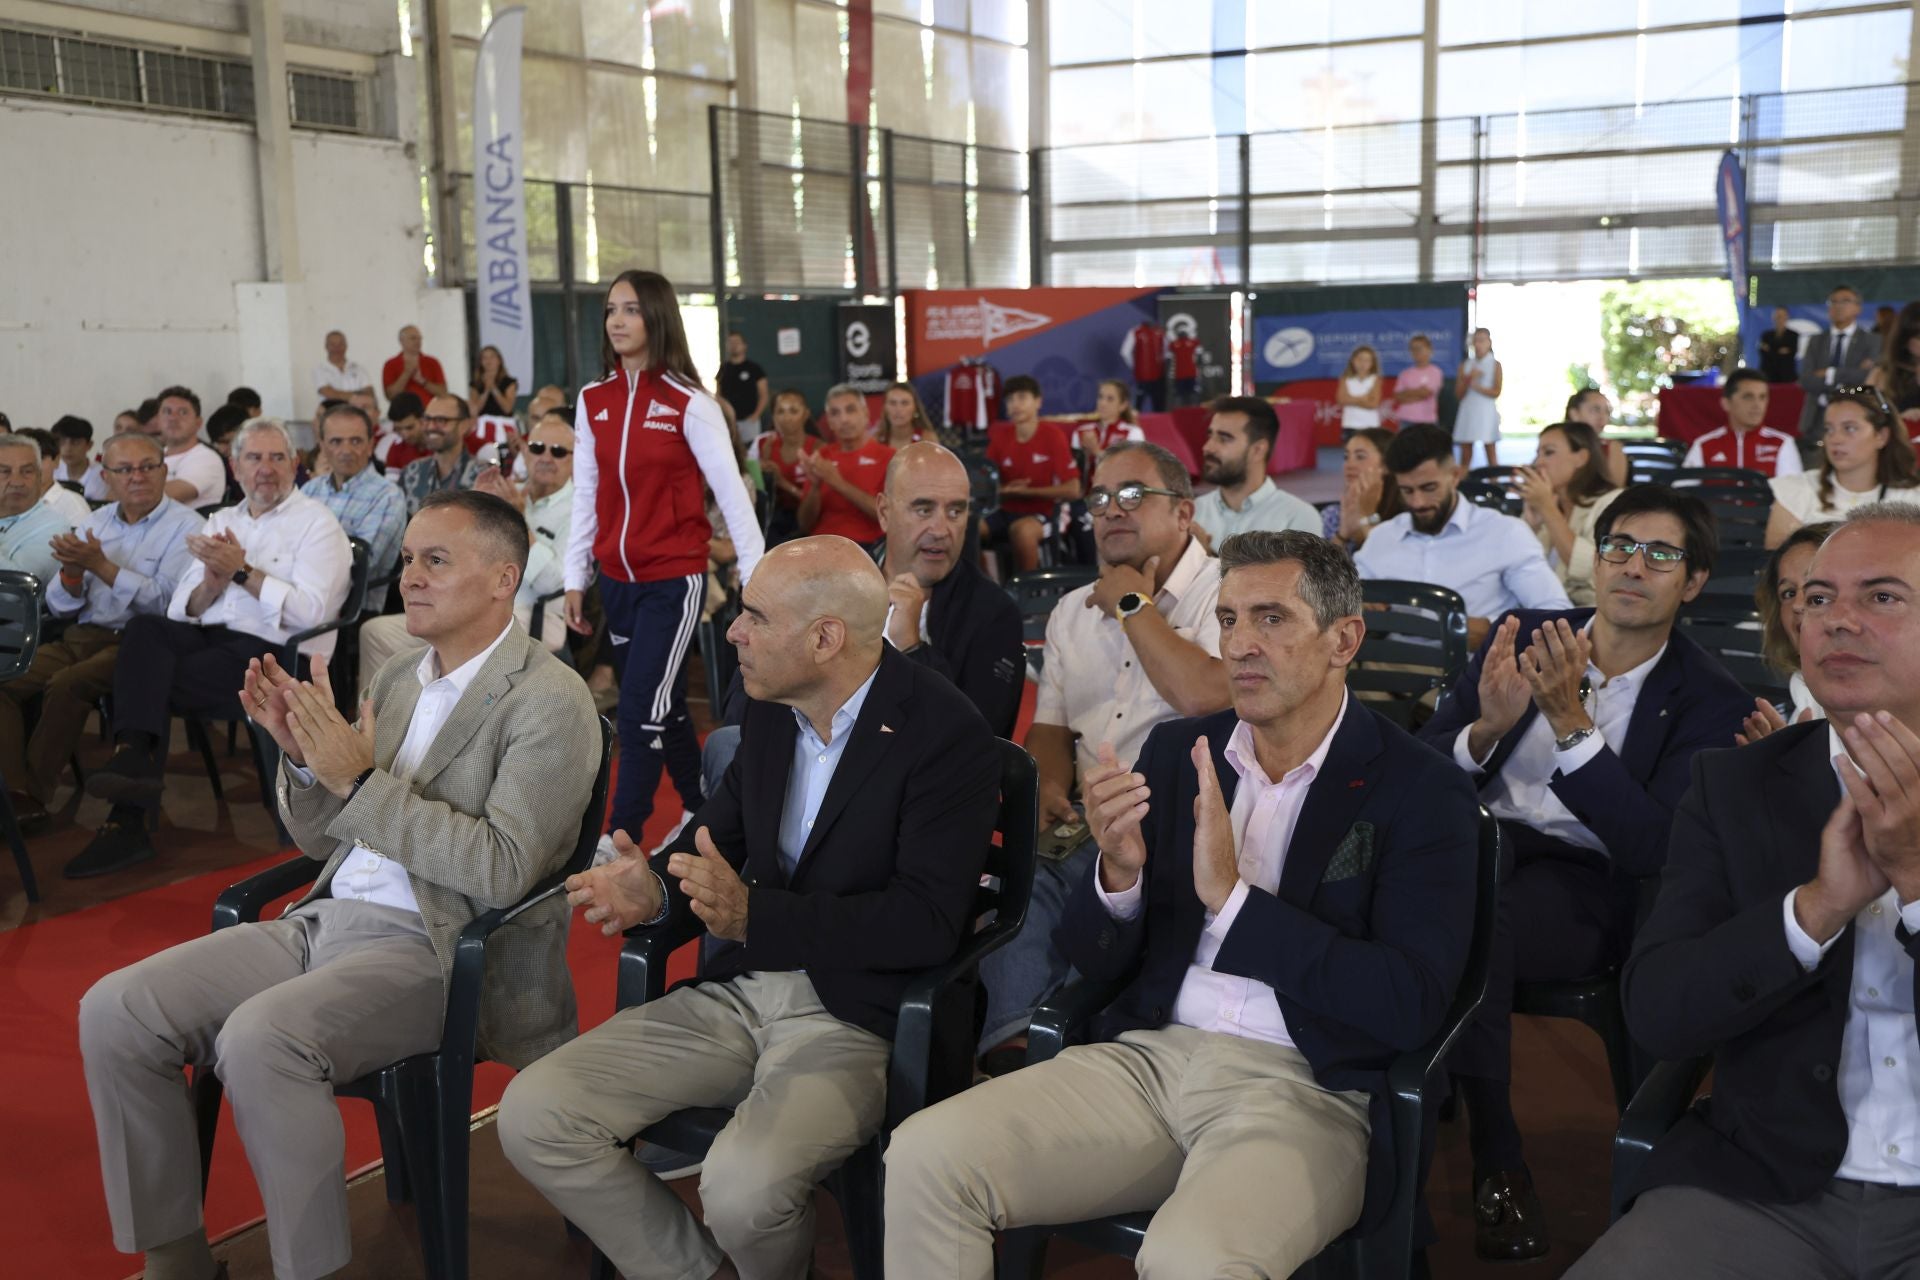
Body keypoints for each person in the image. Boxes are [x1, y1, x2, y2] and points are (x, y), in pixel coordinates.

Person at [885, 530, 1482, 1280]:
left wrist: (1234, 903)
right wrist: (1119, 877)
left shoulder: (1421, 788)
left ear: (1344, 640)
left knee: (1191, 1260)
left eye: (1271, 618)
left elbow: (1409, 1004)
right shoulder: (1177, 754)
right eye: (1228, 619)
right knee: (925, 1156)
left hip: (1307, 1087)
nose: (1239, 645)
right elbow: (1087, 957)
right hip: (1148, 1059)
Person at [78, 489, 597, 1280]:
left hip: (440, 946)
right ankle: (176, 1259)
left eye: (435, 561)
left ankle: (311, 1271)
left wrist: (357, 782)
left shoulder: (549, 699)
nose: (409, 577)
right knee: (117, 1009)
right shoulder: (400, 678)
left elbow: (501, 870)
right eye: (409, 559)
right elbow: (327, 839)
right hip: (325, 920)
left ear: (504, 580)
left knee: (262, 1040)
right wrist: (302, 760)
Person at [499, 536, 1000, 1280]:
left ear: (825, 638)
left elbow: (926, 923)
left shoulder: (944, 733)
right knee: (534, 1113)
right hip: (744, 990)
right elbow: (714, 842)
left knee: (741, 1190)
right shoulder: (768, 710)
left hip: (863, 1015)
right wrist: (654, 889)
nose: (732, 631)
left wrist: (755, 918)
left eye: (756, 617)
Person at [1567, 503, 1920, 1280]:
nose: (1836, 620)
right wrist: (1813, 912)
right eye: (1817, 598)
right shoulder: (1735, 786)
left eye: (1882, 596)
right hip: (1766, 1186)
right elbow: (1659, 1014)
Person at [1419, 484, 1751, 1259]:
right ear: (1594, 560)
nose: (1634, 566)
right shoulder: (1526, 635)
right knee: (1469, 888)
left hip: (1585, 887)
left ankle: (1471, 1145)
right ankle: (1471, 1151)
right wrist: (1484, 730)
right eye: (1619, 546)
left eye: (1660, 555)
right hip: (1474, 855)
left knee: (1466, 911)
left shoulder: (1709, 699)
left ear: (1693, 582)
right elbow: (1422, 768)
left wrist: (1572, 727)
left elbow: (1654, 847)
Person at [977, 441, 1229, 1066]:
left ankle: (1069, 1052)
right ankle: (1020, 1049)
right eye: (1099, 497)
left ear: (1184, 512)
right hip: (1088, 819)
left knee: (1103, 909)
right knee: (1016, 875)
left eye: (1133, 495)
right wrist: (1047, 785)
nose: (1112, 509)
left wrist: (1132, 604)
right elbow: (1051, 728)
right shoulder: (1071, 611)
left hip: (1186, 821)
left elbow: (1201, 694)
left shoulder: (1226, 594)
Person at [76, 419, 353, 876]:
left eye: (277, 458)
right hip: (209, 639)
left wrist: (242, 572)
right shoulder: (222, 520)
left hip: (276, 656)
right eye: (254, 458)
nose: (265, 469)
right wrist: (212, 582)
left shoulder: (318, 523)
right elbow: (181, 609)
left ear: (295, 464)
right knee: (145, 630)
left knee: (144, 684)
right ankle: (134, 761)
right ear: (235, 467)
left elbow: (311, 614)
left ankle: (127, 814)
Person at [564, 269, 765, 859]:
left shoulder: (689, 403)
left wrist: (756, 581)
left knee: (638, 710)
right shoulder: (593, 400)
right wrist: (575, 577)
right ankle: (701, 807)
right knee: (664, 703)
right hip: (616, 581)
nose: (618, 321)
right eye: (611, 310)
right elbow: (586, 494)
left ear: (657, 317)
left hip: (673, 581)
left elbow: (734, 497)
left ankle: (620, 833)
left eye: (631, 309)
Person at [2, 434, 200, 829]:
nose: (137, 477)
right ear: (106, 477)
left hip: (139, 646)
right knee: (5, 677)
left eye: (147, 467)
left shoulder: (188, 527)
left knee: (66, 684)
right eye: (124, 470)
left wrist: (102, 566)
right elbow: (61, 605)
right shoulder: (97, 522)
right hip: (80, 635)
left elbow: (168, 605)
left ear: (164, 471)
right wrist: (73, 575)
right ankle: (11, 791)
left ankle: (33, 798)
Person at [1355, 424, 1571, 647]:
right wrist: (1361, 606)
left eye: (1429, 488)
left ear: (1455, 475)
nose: (1417, 502)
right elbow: (1344, 600)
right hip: (1387, 663)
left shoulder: (1504, 533)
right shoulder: (1382, 537)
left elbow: (1556, 613)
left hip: (1475, 664)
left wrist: (1493, 630)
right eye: (1407, 491)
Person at [876, 442, 1025, 737]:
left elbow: (978, 740)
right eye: (923, 510)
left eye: (956, 511)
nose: (941, 530)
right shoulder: (839, 588)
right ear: (884, 512)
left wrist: (913, 650)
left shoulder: (994, 614)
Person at [1766, 388, 1920, 547]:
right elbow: (1779, 559)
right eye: (1829, 429)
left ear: (1881, 436)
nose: (1835, 439)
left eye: (1849, 428)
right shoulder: (1796, 490)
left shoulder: (1913, 498)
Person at [1740, 521, 1839, 744]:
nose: (1798, 604)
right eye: (1788, 593)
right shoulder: (1804, 689)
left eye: (1816, 586)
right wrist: (1780, 759)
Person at [298, 402, 406, 588]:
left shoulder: (388, 496)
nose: (346, 451)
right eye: (336, 442)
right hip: (301, 589)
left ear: (370, 445)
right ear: (322, 446)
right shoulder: (310, 490)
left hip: (354, 599)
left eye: (355, 441)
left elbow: (362, 563)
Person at [1191, 396, 1321, 546]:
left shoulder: (1296, 517)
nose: (1208, 447)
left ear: (1258, 450)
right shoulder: (1194, 512)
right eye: (1210, 436)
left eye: (1224, 438)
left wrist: (1204, 556)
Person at [981, 374, 1080, 574]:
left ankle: (1028, 590)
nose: (1015, 404)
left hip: (1047, 512)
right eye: (1010, 399)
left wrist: (1027, 492)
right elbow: (983, 485)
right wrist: (1005, 490)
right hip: (1005, 510)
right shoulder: (1000, 437)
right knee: (966, 527)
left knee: (1022, 531)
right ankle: (984, 586)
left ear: (1038, 401)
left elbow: (1073, 490)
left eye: (1022, 397)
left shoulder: (1053, 436)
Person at [1518, 420, 1623, 607]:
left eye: (1548, 452)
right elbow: (1514, 567)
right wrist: (1531, 526)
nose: (1538, 462)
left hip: (1587, 614)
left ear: (1581, 458)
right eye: (1538, 454)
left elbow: (1590, 569)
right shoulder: (1548, 503)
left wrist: (1547, 509)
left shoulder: (1612, 502)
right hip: (1540, 611)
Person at [799, 383, 894, 546]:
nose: (844, 419)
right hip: (821, 546)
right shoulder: (821, 457)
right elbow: (804, 524)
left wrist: (838, 483)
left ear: (866, 414)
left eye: (850, 410)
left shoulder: (889, 457)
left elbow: (889, 516)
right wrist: (815, 487)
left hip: (868, 547)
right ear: (829, 421)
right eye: (835, 413)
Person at [1798, 285, 1881, 444]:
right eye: (1833, 302)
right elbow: (1806, 380)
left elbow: (1865, 381)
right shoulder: (1816, 341)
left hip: (1856, 416)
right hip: (1816, 418)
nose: (1838, 306)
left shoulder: (1872, 341)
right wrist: (1848, 380)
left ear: (1858, 308)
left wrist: (1830, 373)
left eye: (1845, 301)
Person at [1683, 368, 1803, 476]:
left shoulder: (1782, 443)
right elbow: (1683, 491)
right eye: (1748, 397)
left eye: (1762, 397)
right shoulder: (1704, 445)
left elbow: (1792, 493)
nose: (1757, 405)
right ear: (1726, 403)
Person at [751, 388, 819, 545]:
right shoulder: (762, 444)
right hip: (771, 522)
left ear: (805, 414)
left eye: (793, 411)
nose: (786, 418)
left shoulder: (817, 448)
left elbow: (822, 504)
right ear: (773, 416)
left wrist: (783, 483)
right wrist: (761, 473)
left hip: (807, 523)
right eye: (780, 412)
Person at [0, 433, 71, 582]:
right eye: (4, 471)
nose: (17, 482)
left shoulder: (55, 527)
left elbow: (20, 587)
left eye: (27, 472)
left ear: (39, 477)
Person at [1321, 426, 1404, 552]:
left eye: (1360, 457)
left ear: (1386, 465)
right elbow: (1323, 565)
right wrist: (1342, 534)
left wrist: (1368, 517)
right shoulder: (1333, 515)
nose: (1349, 464)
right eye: (1346, 457)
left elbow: (1389, 561)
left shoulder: (1406, 516)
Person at [400, 394, 482, 515]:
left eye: (441, 420)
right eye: (427, 419)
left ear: (464, 426)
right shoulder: (412, 472)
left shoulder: (482, 475)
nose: (431, 426)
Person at [153, 387, 226, 510]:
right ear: (158, 421)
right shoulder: (153, 457)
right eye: (167, 412)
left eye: (183, 412)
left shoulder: (206, 458)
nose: (173, 418)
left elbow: (157, 498)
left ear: (198, 422)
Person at [19, 426, 93, 526]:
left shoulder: (73, 506)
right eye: (25, 460)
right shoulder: (6, 500)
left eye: (41, 458)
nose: (33, 466)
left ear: (56, 460)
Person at [1866, 299, 1920, 430]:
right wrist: (1897, 418)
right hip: (1902, 437)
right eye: (1918, 337)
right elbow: (1873, 412)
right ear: (1905, 340)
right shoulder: (1884, 372)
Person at [1454, 327, 1503, 468]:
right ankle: (1464, 480)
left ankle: (1494, 481)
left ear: (1489, 342)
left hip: (1486, 412)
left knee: (1491, 453)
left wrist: (1477, 387)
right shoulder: (1465, 365)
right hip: (1468, 410)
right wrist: (1469, 378)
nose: (1478, 344)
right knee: (1465, 455)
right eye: (1475, 341)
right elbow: (1459, 394)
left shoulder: (1495, 365)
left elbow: (1496, 392)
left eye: (1481, 340)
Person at [1564, 387, 1632, 487]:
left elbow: (1615, 492)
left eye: (1607, 412)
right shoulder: (1556, 445)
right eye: (1595, 410)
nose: (1602, 417)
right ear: (1574, 414)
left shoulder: (1612, 448)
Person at [714, 330, 769, 444]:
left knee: (751, 451)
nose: (734, 345)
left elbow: (764, 395)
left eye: (737, 342)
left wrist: (755, 416)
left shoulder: (754, 368)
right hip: (729, 421)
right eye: (730, 342)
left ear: (744, 346)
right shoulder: (723, 369)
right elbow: (718, 395)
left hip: (749, 421)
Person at [1075, 378, 1146, 459]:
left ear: (1123, 405)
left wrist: (1096, 451)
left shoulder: (1133, 432)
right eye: (1100, 397)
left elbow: (1133, 464)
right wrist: (1085, 455)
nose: (1103, 403)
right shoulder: (1081, 431)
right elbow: (1075, 465)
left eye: (1110, 399)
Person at [381, 325, 449, 405]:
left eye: (420, 338)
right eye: (413, 338)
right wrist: (406, 374)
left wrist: (422, 381)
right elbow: (391, 396)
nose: (418, 341)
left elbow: (443, 393)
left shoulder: (432, 362)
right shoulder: (390, 364)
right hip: (403, 412)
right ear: (401, 341)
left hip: (429, 411)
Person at [52, 413, 110, 502]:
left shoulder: (102, 475)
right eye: (62, 442)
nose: (68, 448)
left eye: (75, 442)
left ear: (89, 445)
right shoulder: (53, 471)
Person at [312, 328, 374, 408]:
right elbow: (328, 393)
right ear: (326, 347)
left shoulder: (359, 369)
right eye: (332, 344)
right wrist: (358, 395)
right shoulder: (320, 370)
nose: (337, 348)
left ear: (346, 346)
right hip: (332, 412)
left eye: (340, 344)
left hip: (357, 412)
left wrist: (341, 395)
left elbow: (369, 393)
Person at [1392, 333, 1444, 426]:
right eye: (1412, 349)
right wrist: (1418, 392)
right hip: (1405, 420)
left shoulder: (1435, 372)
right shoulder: (1405, 373)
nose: (1416, 352)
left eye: (1419, 348)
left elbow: (1425, 393)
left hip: (1427, 421)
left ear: (1429, 350)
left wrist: (1407, 392)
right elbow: (1398, 396)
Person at [373, 391, 430, 474]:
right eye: (398, 429)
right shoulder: (396, 447)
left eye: (410, 428)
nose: (405, 435)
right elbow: (392, 481)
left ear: (423, 420)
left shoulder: (441, 445)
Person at [873, 380, 936, 450]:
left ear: (915, 408)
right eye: (892, 403)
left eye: (905, 403)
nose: (898, 409)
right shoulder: (876, 440)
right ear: (885, 408)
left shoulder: (927, 440)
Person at [1336, 343, 1384, 434]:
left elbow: (1373, 404)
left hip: (1371, 425)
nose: (1362, 363)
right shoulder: (1345, 379)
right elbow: (1341, 400)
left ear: (1372, 363)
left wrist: (1351, 399)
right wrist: (1364, 398)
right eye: (1360, 359)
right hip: (1350, 424)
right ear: (1353, 360)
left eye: (1367, 360)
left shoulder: (1375, 379)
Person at [467, 343, 518, 421]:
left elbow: (507, 409)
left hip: (504, 422)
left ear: (499, 361)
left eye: (492, 357)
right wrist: (486, 390)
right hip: (482, 422)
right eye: (484, 358)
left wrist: (494, 388)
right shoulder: (475, 384)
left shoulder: (510, 383)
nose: (489, 361)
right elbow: (475, 410)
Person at [1759, 306, 1800, 384]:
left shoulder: (1793, 335)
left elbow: (1791, 353)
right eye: (1777, 316)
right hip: (1768, 376)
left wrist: (1771, 350)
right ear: (1773, 317)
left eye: (1782, 316)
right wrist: (1780, 351)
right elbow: (1763, 353)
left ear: (1787, 317)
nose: (1779, 318)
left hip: (1787, 377)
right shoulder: (1766, 335)